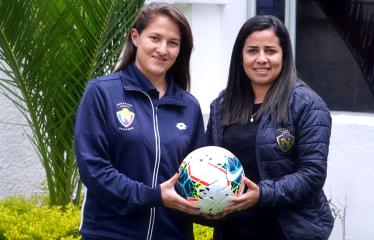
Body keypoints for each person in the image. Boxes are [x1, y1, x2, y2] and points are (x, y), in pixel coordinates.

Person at [74, 3, 205, 240]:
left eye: (173, 42)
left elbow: (196, 178)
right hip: (110, 234)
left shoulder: (189, 107)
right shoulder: (102, 92)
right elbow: (94, 170)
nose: (162, 49)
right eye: (155, 38)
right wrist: (153, 196)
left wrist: (212, 208)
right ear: (136, 37)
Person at [206, 15, 334, 240]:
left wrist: (263, 193)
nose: (261, 59)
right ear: (241, 56)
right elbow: (208, 161)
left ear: (283, 55)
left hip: (288, 231)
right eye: (253, 50)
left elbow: (312, 174)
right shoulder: (222, 105)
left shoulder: (306, 104)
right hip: (233, 231)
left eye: (271, 51)